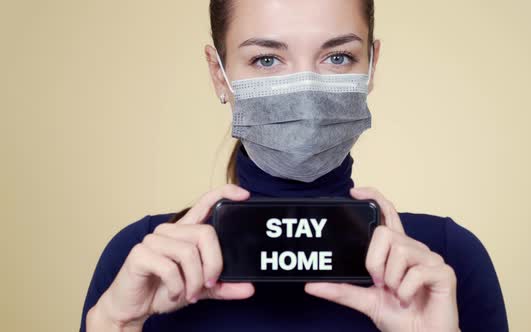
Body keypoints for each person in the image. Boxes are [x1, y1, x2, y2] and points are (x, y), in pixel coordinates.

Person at [81, 0, 509, 331]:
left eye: (338, 56)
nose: (306, 87)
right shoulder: (145, 264)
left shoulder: (443, 265)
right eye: (267, 59)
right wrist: (114, 325)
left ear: (372, 65)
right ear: (218, 73)